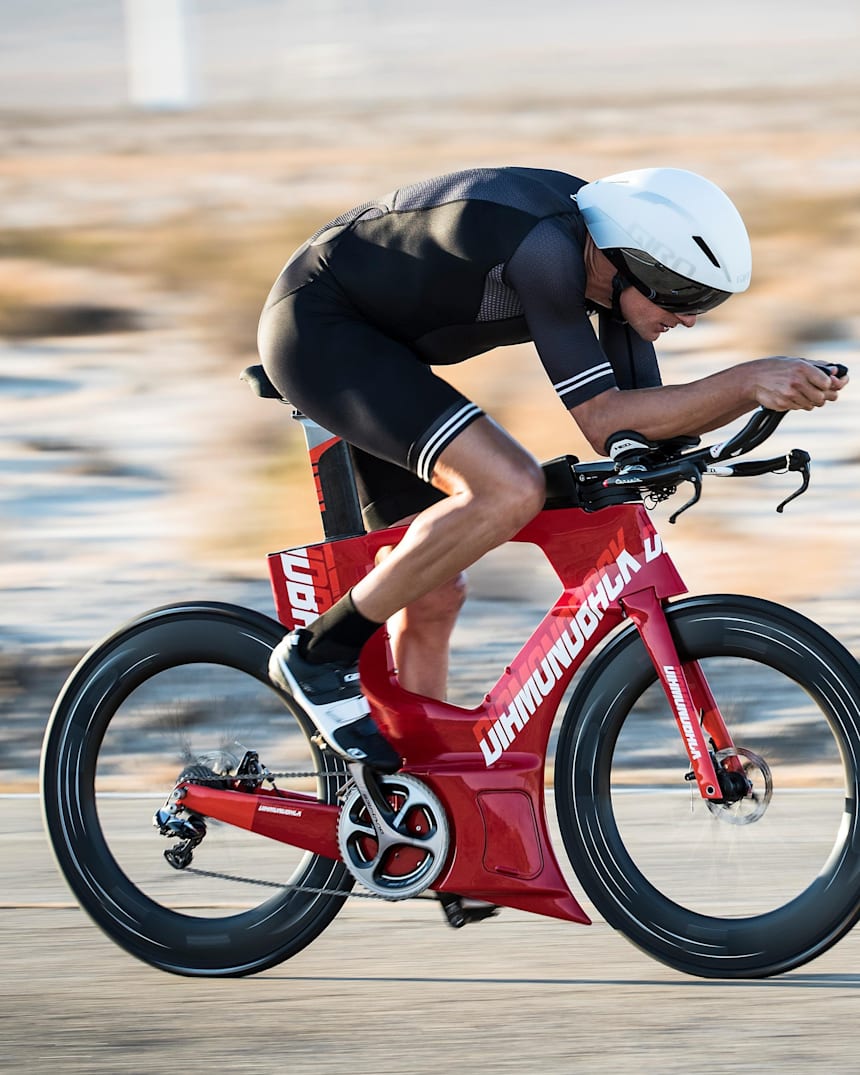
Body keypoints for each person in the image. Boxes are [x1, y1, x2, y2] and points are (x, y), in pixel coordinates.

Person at [257, 165, 846, 772]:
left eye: (705, 301)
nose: (690, 317)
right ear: (622, 263)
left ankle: (410, 797)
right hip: (321, 329)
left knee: (435, 590)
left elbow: (639, 431)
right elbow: (601, 416)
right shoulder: (545, 249)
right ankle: (318, 654)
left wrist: (746, 415)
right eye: (680, 294)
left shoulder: (611, 269)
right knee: (508, 486)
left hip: (387, 353)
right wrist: (750, 380)